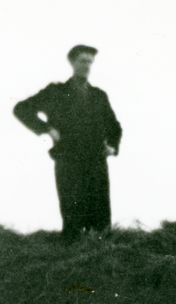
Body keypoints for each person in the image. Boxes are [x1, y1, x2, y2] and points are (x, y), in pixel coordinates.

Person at [13, 44, 123, 240]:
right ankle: (72, 258)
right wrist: (46, 128)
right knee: (73, 220)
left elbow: (114, 127)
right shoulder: (56, 92)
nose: (87, 66)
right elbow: (21, 109)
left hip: (96, 162)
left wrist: (112, 146)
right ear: (72, 62)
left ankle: (100, 261)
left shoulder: (99, 96)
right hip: (68, 161)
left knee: (101, 222)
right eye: (82, 61)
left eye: (90, 62)